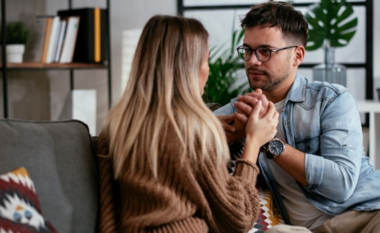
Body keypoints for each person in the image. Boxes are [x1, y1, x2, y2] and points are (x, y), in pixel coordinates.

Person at [97, 15, 279, 232]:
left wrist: (212, 131)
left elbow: (109, 212)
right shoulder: (193, 132)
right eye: (206, 61)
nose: (208, 70)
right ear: (189, 68)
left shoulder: (116, 126)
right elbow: (238, 218)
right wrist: (253, 143)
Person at [214, 2, 380, 233]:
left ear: (297, 55)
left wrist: (268, 142)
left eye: (265, 51)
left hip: (362, 214)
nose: (252, 61)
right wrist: (218, 132)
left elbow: (341, 184)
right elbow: (175, 139)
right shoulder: (239, 110)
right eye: (248, 50)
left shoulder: (331, 100)